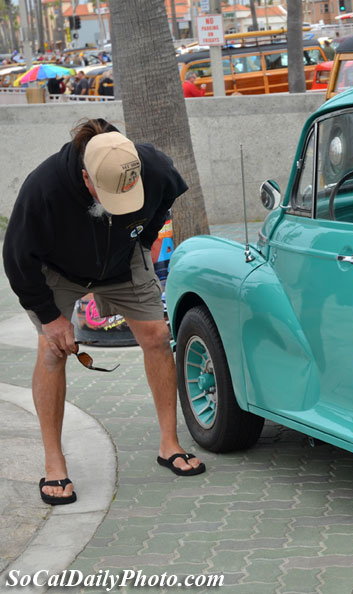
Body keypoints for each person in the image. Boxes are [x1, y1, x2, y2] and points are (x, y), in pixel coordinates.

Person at [2, 119, 206, 506]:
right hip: (58, 271)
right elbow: (17, 260)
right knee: (51, 350)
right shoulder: (44, 188)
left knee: (158, 337)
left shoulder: (155, 167)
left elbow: (165, 199)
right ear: (85, 177)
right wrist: (51, 318)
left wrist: (140, 245)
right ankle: (54, 462)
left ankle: (169, 443)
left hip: (122, 261)